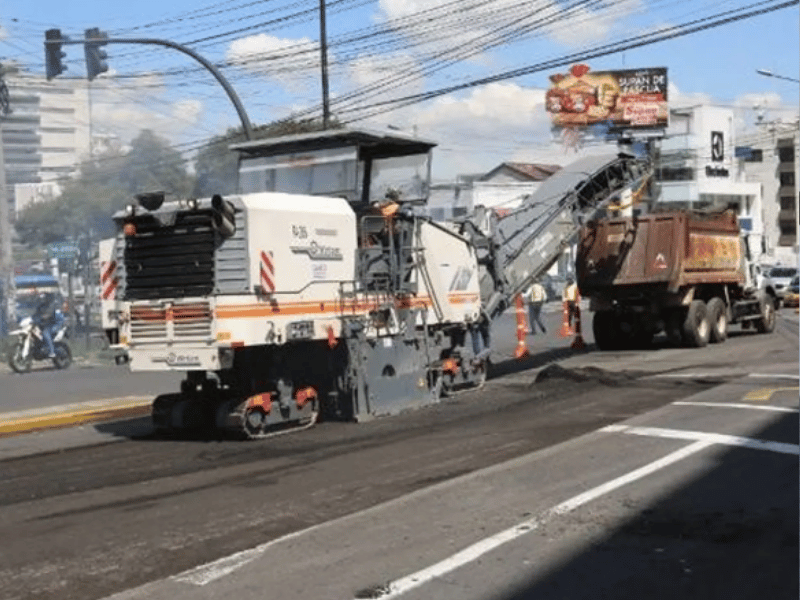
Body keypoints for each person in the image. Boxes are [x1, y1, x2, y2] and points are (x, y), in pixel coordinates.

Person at [33, 292, 62, 358]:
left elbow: (51, 314)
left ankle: (52, 352)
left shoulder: (53, 305)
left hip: (55, 324)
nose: (46, 298)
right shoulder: (42, 306)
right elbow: (36, 314)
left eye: (47, 297)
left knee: (45, 333)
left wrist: (44, 317)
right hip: (45, 324)